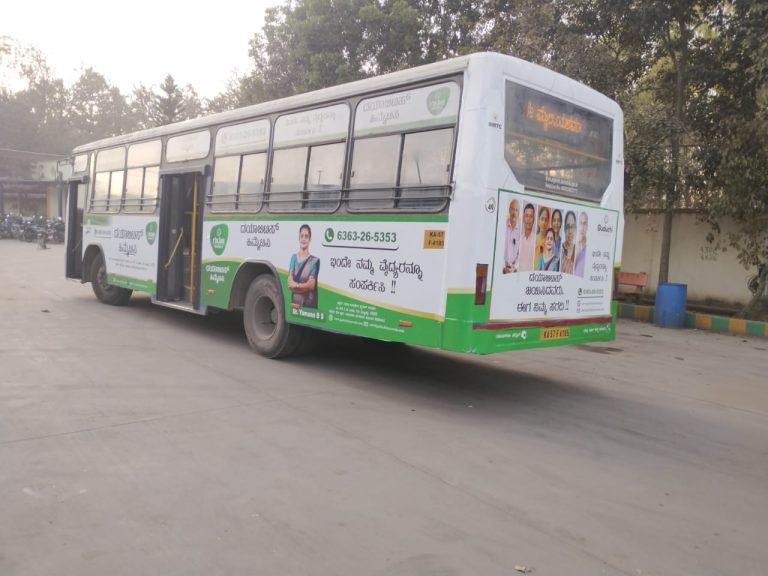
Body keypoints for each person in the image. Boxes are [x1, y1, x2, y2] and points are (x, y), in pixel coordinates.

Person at [288, 224, 320, 308]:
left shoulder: (314, 261)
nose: (303, 239)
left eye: (306, 236)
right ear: (299, 238)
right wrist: (305, 286)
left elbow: (311, 286)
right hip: (295, 303)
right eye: (301, 236)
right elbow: (289, 284)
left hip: (308, 305)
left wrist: (296, 285)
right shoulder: (293, 258)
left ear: (310, 240)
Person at [502, 199, 521, 274]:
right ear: (509, 210)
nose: (514, 213)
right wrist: (503, 267)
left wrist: (514, 267)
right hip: (501, 269)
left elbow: (520, 253)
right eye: (512, 209)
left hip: (514, 271)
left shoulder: (521, 230)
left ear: (518, 213)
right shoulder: (503, 226)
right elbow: (499, 249)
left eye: (516, 210)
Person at [518, 203, 536, 272]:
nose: (528, 219)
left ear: (534, 219)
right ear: (523, 218)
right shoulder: (518, 240)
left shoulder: (536, 241)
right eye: (526, 216)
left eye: (531, 216)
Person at [574, 211, 588, 277]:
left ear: (587, 226)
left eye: (584, 223)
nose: (582, 227)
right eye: (580, 223)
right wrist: (578, 245)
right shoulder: (574, 246)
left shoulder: (589, 248)